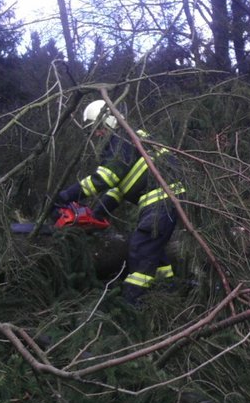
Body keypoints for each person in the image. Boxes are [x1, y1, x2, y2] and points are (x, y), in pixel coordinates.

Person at [56, 99, 185, 307]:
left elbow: (106, 178)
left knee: (140, 249)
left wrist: (67, 195)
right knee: (155, 252)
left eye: (97, 128)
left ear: (107, 121)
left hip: (161, 201)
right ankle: (168, 294)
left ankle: (132, 305)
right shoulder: (130, 137)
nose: (97, 134)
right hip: (165, 200)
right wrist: (97, 214)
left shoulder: (120, 138)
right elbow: (119, 188)